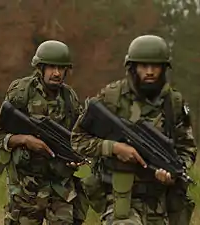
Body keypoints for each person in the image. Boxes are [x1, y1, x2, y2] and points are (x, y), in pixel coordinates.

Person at [71, 35, 197, 225]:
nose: (150, 72)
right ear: (132, 67)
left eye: (155, 66)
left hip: (160, 203)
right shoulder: (111, 98)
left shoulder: (174, 103)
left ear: (164, 69)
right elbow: (78, 139)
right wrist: (113, 148)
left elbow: (187, 148)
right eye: (143, 66)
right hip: (120, 200)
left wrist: (173, 173)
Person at [0, 40, 89, 224]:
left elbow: (80, 138)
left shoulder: (69, 98)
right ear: (40, 68)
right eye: (51, 67)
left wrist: (76, 156)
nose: (56, 73)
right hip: (26, 190)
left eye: (61, 68)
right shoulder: (21, 92)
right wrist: (25, 140)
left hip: (60, 188)